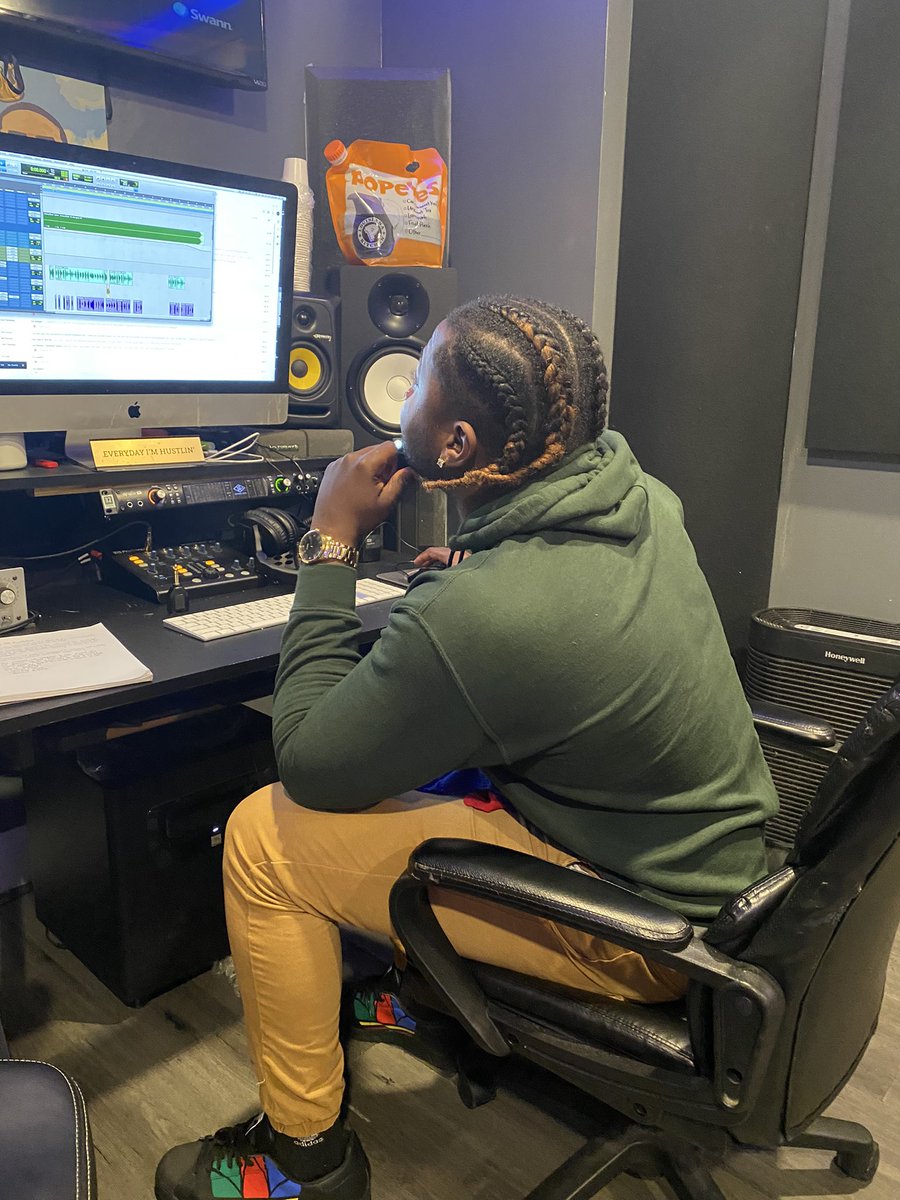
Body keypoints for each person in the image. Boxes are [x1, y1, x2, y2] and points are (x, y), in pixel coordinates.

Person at [155, 297, 777, 1200]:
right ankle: (422, 994)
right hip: (716, 872)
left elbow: (311, 765)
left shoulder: (488, 618)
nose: (401, 397)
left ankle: (304, 1161)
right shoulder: (640, 495)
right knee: (432, 759)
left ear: (454, 445)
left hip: (649, 934)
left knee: (263, 837)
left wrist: (329, 544)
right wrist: (478, 577)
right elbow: (554, 613)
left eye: (416, 385)